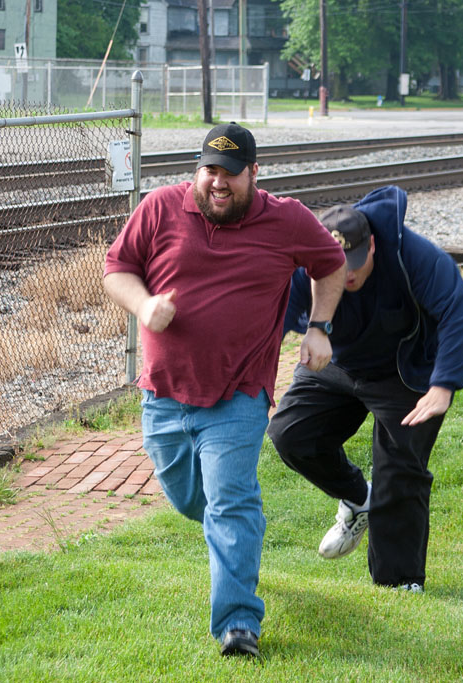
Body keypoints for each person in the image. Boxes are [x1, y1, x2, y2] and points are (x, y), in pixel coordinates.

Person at [103, 122, 346, 658]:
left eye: (230, 174)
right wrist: (144, 305)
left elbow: (330, 264)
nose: (217, 183)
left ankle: (238, 625)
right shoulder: (161, 208)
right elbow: (117, 268)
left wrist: (319, 326)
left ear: (254, 175)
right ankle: (238, 532)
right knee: (195, 500)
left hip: (238, 396)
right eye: (209, 169)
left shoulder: (285, 220)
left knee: (229, 501)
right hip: (164, 395)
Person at [267, 185, 463, 592]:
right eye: (334, 267)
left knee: (400, 469)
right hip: (337, 364)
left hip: (404, 373)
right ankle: (357, 498)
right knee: (289, 434)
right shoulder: (301, 268)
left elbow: (457, 309)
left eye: (355, 265)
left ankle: (397, 582)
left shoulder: (411, 254)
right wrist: (250, 387)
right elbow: (270, 324)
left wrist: (444, 384)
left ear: (374, 247)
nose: (346, 276)